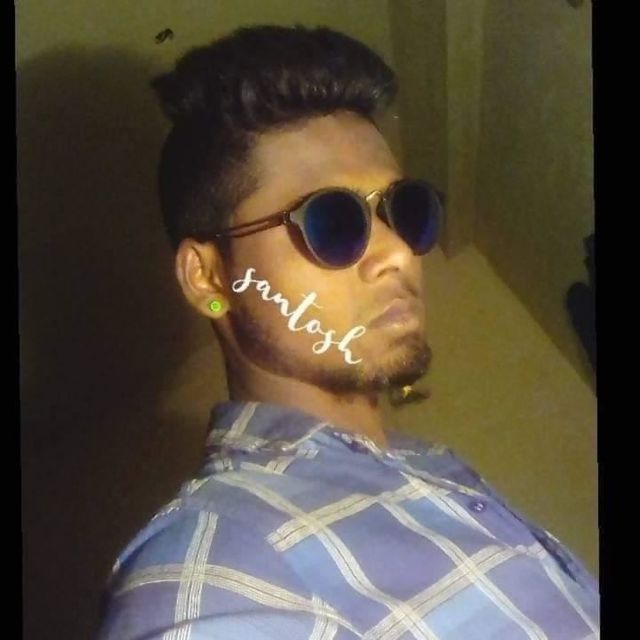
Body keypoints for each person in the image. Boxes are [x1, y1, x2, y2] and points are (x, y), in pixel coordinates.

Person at [96, 24, 599, 639]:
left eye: (405, 210)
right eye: (332, 220)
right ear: (209, 277)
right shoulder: (213, 564)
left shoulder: (431, 467)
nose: (399, 253)